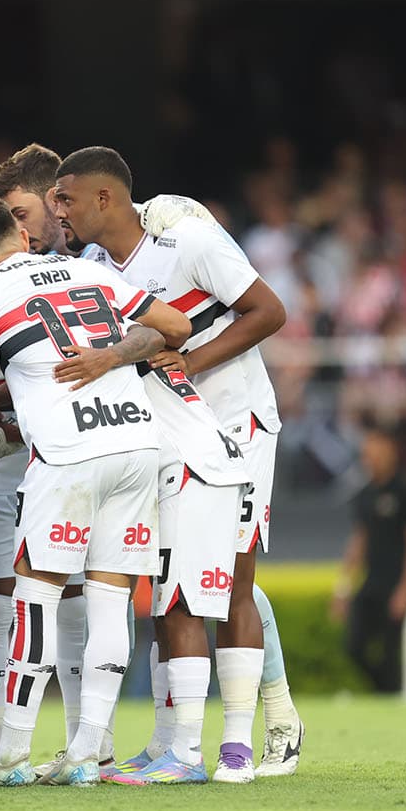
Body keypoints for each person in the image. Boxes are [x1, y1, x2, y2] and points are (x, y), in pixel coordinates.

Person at [0, 197, 191, 787]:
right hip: (136, 442)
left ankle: (12, 749)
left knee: (36, 599)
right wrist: (112, 355)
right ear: (22, 237)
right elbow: (176, 328)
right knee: (110, 597)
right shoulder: (92, 271)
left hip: (67, 455)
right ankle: (87, 751)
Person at [54, 148, 256, 785]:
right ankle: (171, 744)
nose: (59, 212)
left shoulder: (185, 242)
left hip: (209, 443)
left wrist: (129, 358)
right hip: (163, 453)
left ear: (106, 199)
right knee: (167, 602)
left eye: (67, 198)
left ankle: (204, 752)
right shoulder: (89, 267)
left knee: (191, 602)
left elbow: (181, 331)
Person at [110, 184, 308, 777]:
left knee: (235, 577)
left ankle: (266, 728)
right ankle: (172, 740)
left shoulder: (181, 229)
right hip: (174, 426)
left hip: (235, 420)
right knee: (176, 583)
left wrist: (192, 361)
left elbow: (268, 310)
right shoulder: (93, 262)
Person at [332, 425, 406, 693]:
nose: (370, 457)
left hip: (396, 583)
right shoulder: (365, 494)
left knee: (390, 652)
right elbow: (358, 542)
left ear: (390, 451)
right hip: (372, 582)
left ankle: (390, 696)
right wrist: (343, 588)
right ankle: (382, 691)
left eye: (375, 450)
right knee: (354, 646)